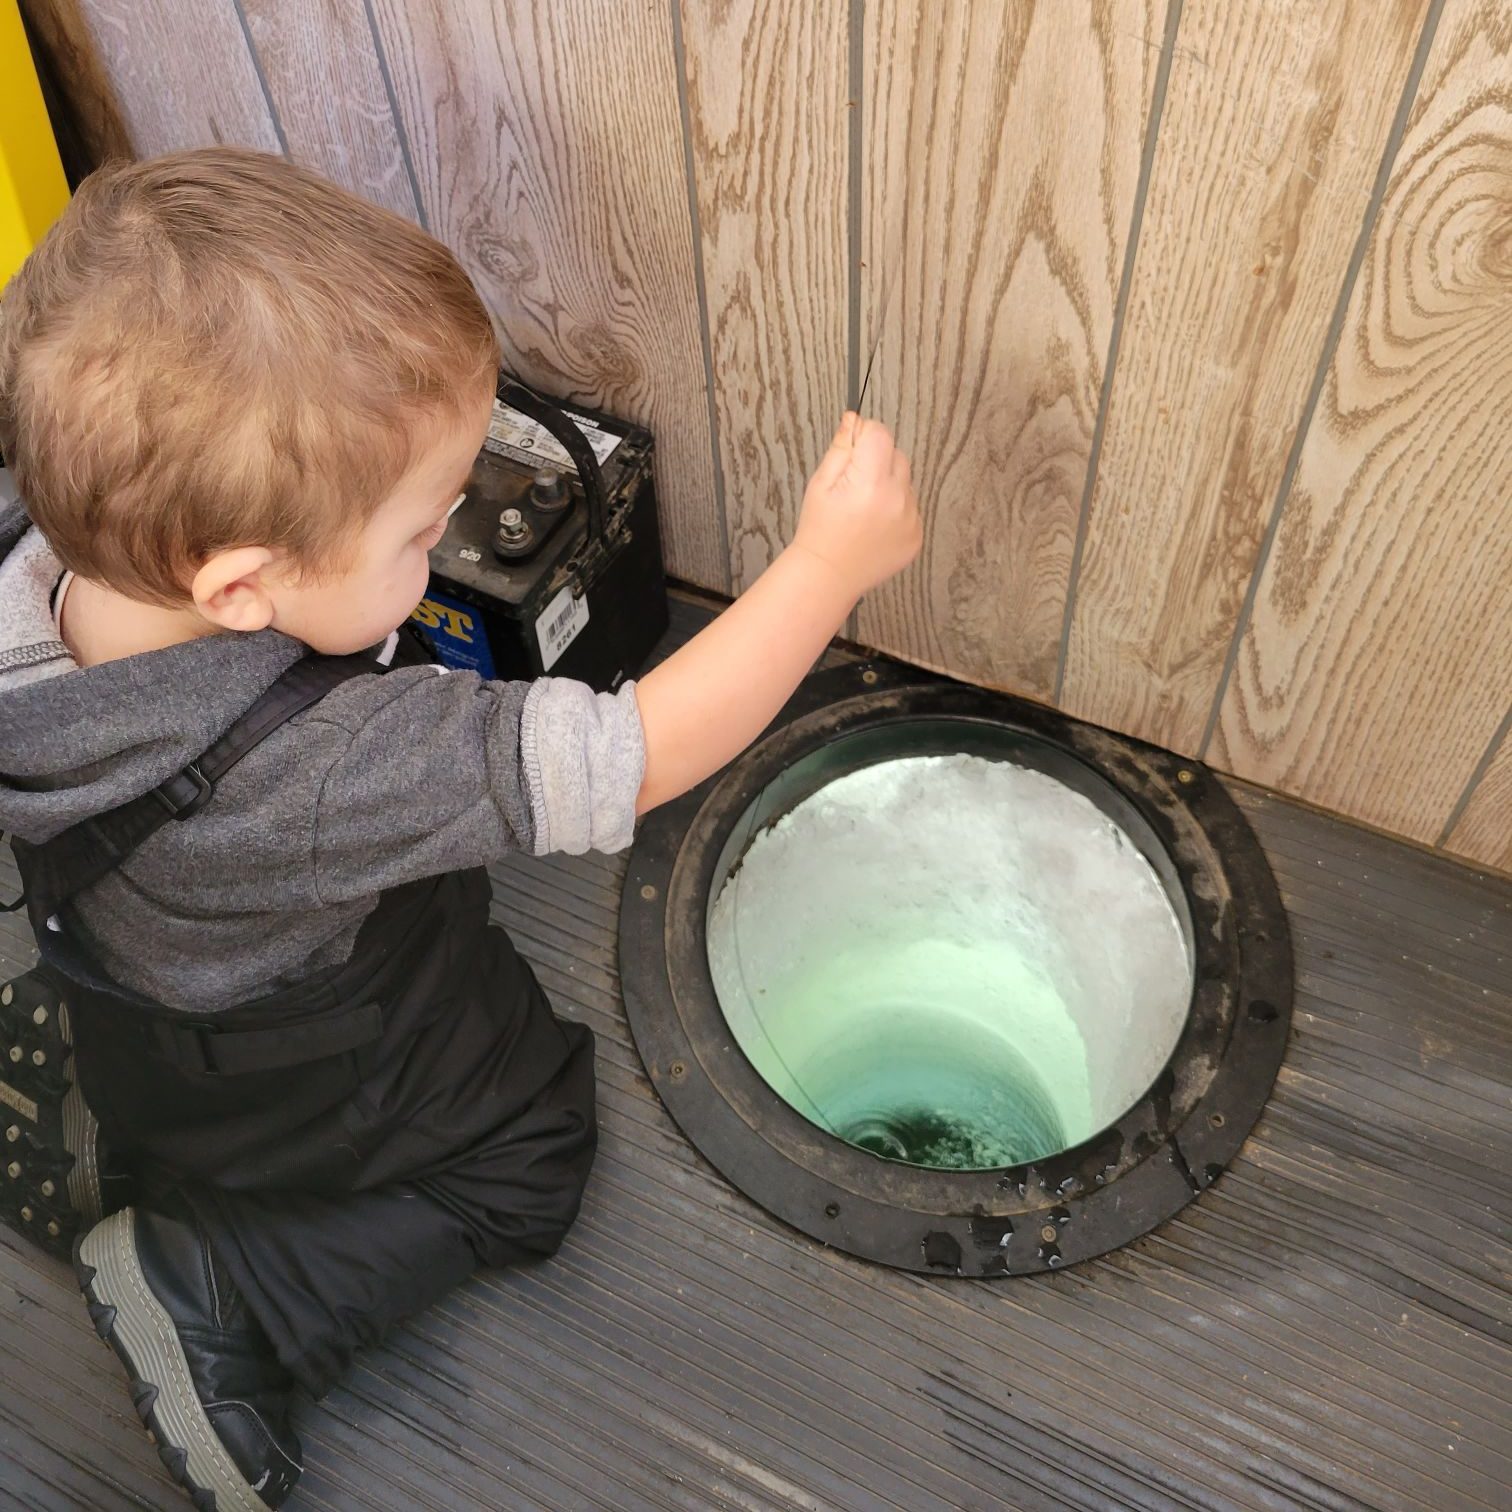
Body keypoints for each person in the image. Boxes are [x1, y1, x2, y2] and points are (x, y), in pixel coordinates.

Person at [0, 148, 920, 1510]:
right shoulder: (328, 771)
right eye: (417, 537)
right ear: (245, 588)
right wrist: (824, 568)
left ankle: (120, 1120)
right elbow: (640, 751)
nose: (440, 555)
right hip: (317, 1056)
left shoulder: (38, 544)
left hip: (135, 984)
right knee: (535, 1147)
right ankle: (233, 1290)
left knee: (170, 1048)